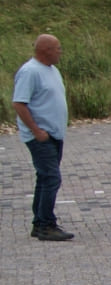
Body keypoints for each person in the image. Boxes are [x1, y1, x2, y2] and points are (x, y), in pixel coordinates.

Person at [12, 33, 72, 241]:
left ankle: (39, 223)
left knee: (45, 178)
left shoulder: (52, 70)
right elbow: (19, 103)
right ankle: (47, 224)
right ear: (45, 50)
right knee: (52, 178)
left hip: (55, 134)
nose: (60, 52)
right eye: (57, 48)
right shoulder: (30, 72)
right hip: (40, 136)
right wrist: (36, 130)